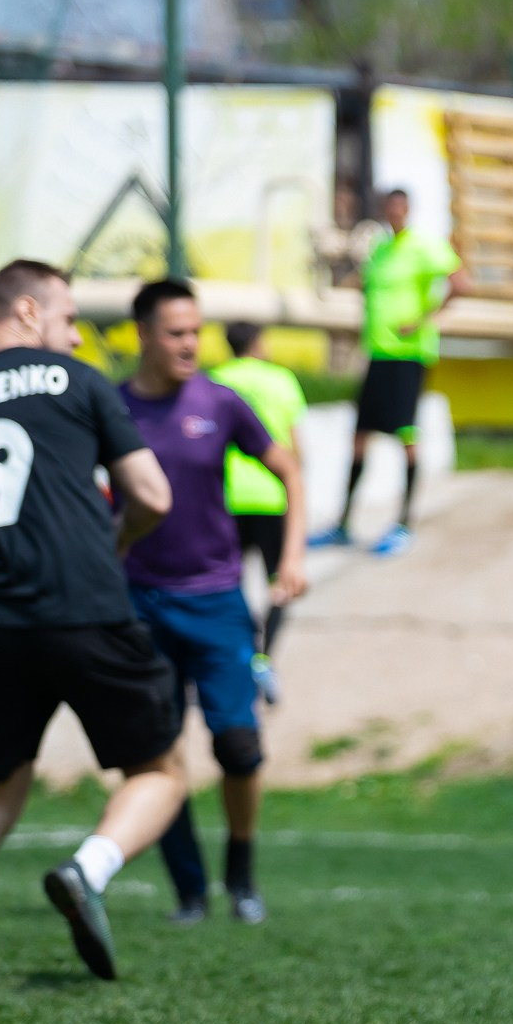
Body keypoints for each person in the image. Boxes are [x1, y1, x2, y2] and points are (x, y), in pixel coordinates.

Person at [0, 258, 187, 985]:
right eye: (69, 317)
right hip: (86, 607)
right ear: (25, 310)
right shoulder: (79, 383)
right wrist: (118, 541)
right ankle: (89, 868)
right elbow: (153, 495)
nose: (77, 338)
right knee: (163, 770)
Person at [119, 280, 308, 926]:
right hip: (139, 604)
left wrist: (292, 556)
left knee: (238, 745)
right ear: (142, 333)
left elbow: (288, 468)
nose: (189, 344)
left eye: (195, 331)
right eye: (175, 332)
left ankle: (242, 875)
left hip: (218, 599)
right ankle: (189, 892)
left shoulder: (222, 403)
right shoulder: (112, 410)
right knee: (158, 753)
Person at [311, 188, 475, 557]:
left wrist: (421, 320)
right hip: (378, 354)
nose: (395, 215)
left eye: (400, 209)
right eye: (389, 209)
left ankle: (404, 523)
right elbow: (366, 288)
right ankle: (343, 523)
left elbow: (461, 283)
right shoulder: (381, 251)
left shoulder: (423, 246)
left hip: (408, 355)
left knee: (407, 436)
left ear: (408, 210)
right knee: (360, 434)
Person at [212, 320, 309, 705]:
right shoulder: (281, 379)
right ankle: (264, 657)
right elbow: (296, 448)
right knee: (280, 584)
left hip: (226, 499)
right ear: (258, 343)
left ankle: (239, 653)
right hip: (272, 495)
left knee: (227, 584)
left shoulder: (213, 380)